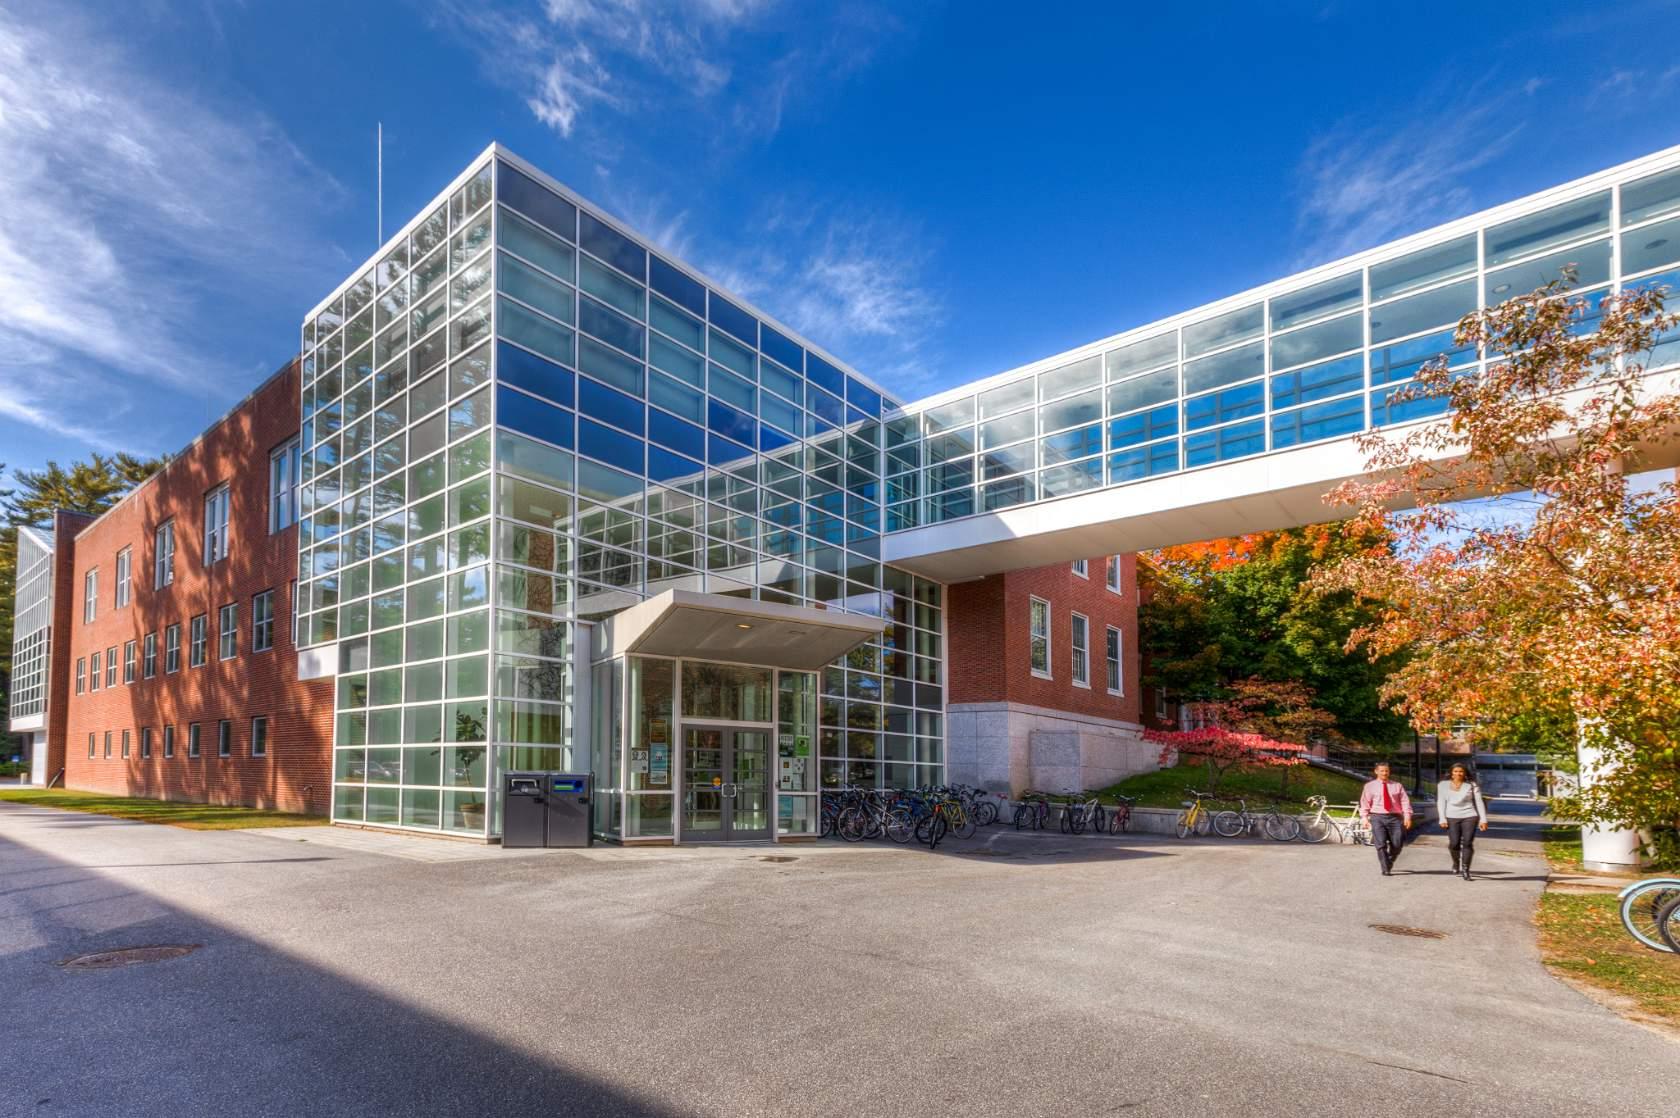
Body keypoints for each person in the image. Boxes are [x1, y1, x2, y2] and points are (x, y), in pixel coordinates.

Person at [1358, 763, 1412, 876]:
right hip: (1377, 817)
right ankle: (1385, 868)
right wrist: (1364, 818)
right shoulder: (1369, 786)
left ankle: (1389, 860)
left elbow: (1405, 802)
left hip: (1395, 817)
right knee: (1380, 844)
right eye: (1382, 771)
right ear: (1376, 771)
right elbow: (1364, 803)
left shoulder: (1397, 786)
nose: (1384, 773)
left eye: (1386, 771)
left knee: (1398, 843)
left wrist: (1407, 816)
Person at [1436, 763, 1489, 880]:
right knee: (1454, 843)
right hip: (1451, 816)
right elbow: (1441, 802)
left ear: (1465, 773)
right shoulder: (1442, 785)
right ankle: (1456, 862)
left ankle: (1466, 869)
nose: (1458, 774)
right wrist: (1442, 818)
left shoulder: (1472, 785)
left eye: (1461, 771)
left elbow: (1479, 802)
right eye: (1455, 771)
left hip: (1470, 816)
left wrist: (1483, 819)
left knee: (1467, 843)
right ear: (1451, 772)